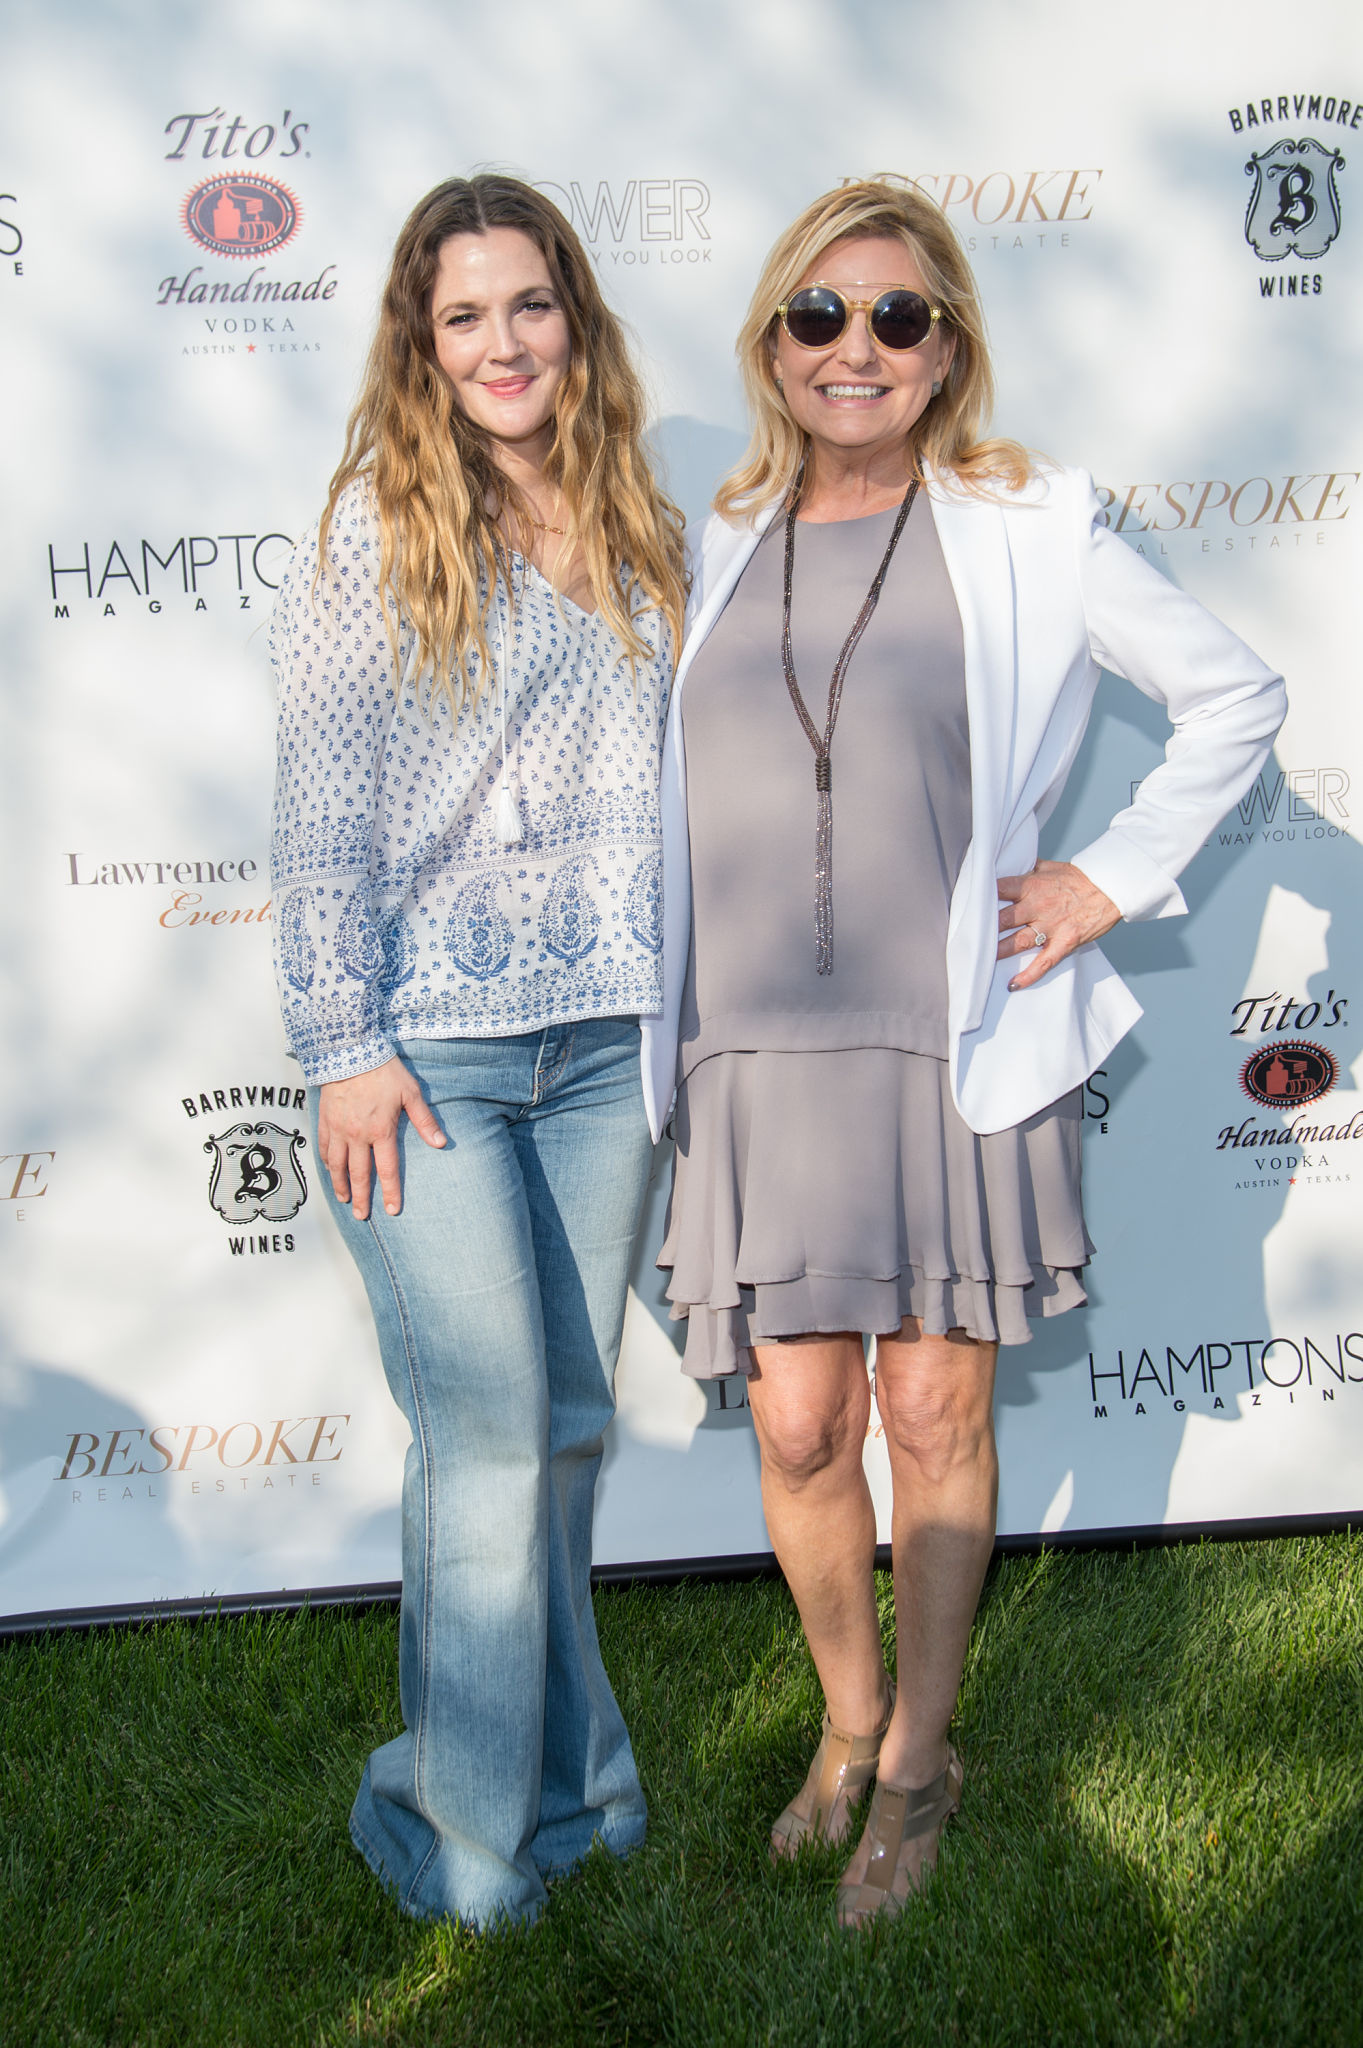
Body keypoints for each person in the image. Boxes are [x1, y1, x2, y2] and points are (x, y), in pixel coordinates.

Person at [643, 178, 1285, 1928]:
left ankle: (921, 1764)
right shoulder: (708, 538)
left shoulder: (1028, 525)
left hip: (951, 1042)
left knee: (931, 1406)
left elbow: (1236, 695)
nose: (855, 346)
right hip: (750, 1049)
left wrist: (1104, 878)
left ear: (947, 352)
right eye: (820, 314)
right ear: (772, 345)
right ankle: (847, 1724)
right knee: (797, 1427)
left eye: (897, 316)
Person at [269, 174, 685, 1931]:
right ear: (421, 345)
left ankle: (572, 1795)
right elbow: (316, 820)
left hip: (602, 1049)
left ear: (573, 317)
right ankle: (455, 1837)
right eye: (464, 316)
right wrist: (342, 1043)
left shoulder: (642, 521)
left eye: (529, 304)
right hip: (426, 1059)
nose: (502, 343)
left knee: (565, 1428)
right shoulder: (376, 529)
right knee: (490, 1433)